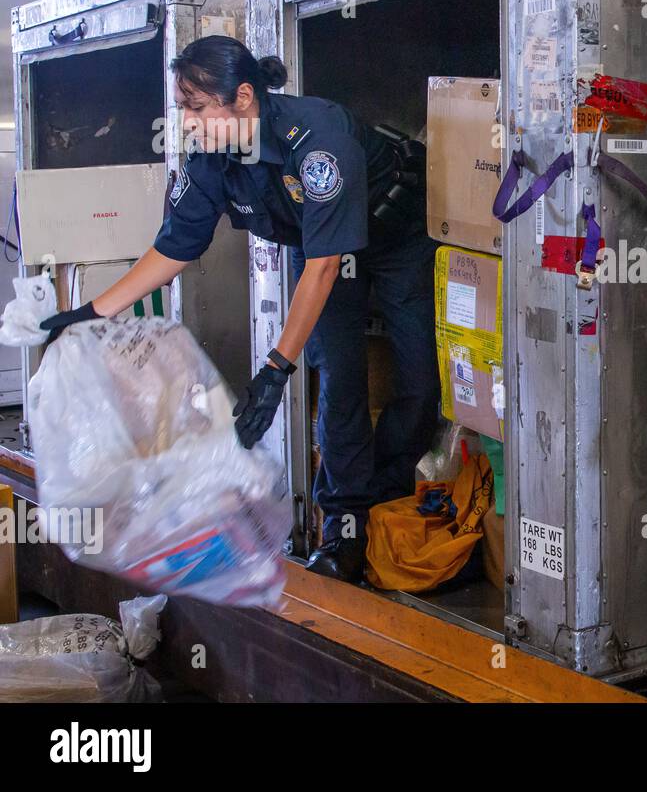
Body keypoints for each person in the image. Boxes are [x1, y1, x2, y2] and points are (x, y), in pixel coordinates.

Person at [39, 35, 441, 583]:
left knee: (419, 378)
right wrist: (92, 311)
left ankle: (388, 492)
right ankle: (345, 527)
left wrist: (276, 368)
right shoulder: (211, 158)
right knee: (339, 377)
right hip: (318, 247)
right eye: (182, 108)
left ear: (244, 97)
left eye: (196, 108)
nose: (186, 122)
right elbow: (175, 246)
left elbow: (326, 267)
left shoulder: (316, 140)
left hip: (394, 239)